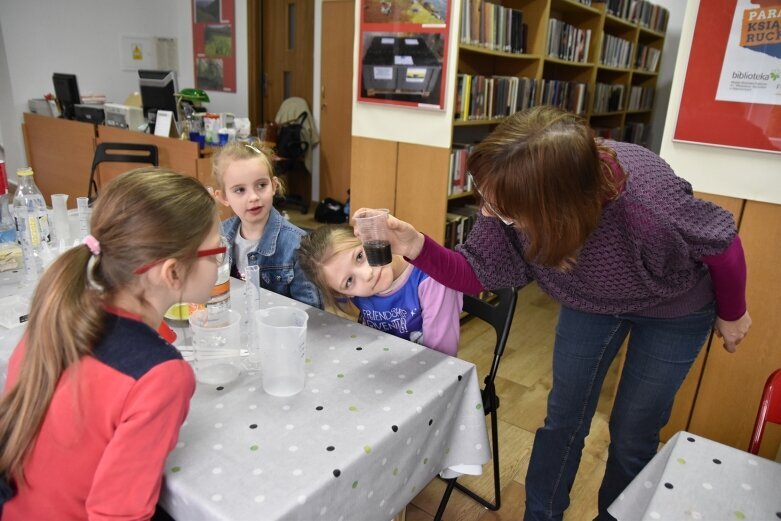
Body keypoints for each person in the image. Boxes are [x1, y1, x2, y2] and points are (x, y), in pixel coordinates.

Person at [358, 106, 752, 520]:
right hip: (588, 302)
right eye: (485, 198)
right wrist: (415, 244)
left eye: (505, 211)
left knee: (634, 432)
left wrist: (732, 312)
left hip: (674, 307)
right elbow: (475, 272)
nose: (489, 214)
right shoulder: (509, 189)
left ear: (559, 212)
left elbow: (722, 246)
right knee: (563, 420)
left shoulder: (648, 205)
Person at [0, 169, 225, 519]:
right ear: (172, 273)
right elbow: (118, 515)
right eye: (216, 253)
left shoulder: (58, 308)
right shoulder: (162, 376)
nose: (219, 263)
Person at [297, 224, 462, 356]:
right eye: (349, 281)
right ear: (343, 293)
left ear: (368, 238)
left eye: (360, 256)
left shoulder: (432, 279)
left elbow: (441, 359)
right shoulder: (354, 291)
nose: (367, 274)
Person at [212, 140, 322, 308]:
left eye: (261, 185)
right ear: (224, 197)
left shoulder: (298, 244)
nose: (254, 197)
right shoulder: (219, 235)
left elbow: (310, 310)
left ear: (274, 186)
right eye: (240, 190)